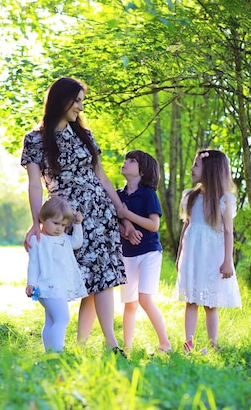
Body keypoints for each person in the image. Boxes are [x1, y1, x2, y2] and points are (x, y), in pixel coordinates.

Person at [21, 76, 129, 356]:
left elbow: (101, 175)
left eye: (82, 102)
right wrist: (37, 222)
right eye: (76, 101)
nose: (80, 107)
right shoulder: (35, 139)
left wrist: (121, 211)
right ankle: (62, 345)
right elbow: (34, 184)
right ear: (61, 99)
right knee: (68, 278)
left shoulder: (85, 135)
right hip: (66, 217)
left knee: (103, 277)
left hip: (100, 213)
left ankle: (111, 345)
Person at [175, 149, 242, 353]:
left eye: (196, 165)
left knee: (210, 303)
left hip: (213, 256)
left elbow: (229, 232)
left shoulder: (224, 200)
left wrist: (227, 261)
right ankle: (189, 343)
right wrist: (179, 257)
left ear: (210, 170)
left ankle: (213, 343)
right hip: (193, 255)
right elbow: (186, 227)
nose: (191, 168)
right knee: (191, 300)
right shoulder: (191, 196)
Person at [117, 150, 172, 353]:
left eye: (131, 161)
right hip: (127, 254)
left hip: (149, 251)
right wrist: (125, 230)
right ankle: (127, 347)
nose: (125, 163)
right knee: (129, 303)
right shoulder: (118, 195)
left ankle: (165, 343)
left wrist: (126, 214)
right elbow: (116, 224)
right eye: (126, 159)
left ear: (143, 171)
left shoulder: (148, 194)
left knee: (144, 298)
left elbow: (153, 224)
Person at [25, 196, 88, 352]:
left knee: (52, 320)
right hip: (46, 286)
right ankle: (58, 352)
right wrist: (30, 283)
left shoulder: (64, 238)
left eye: (63, 225)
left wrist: (78, 224)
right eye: (55, 223)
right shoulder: (37, 240)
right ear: (43, 219)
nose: (59, 228)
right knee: (62, 318)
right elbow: (33, 263)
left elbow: (77, 242)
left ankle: (50, 353)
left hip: (59, 286)